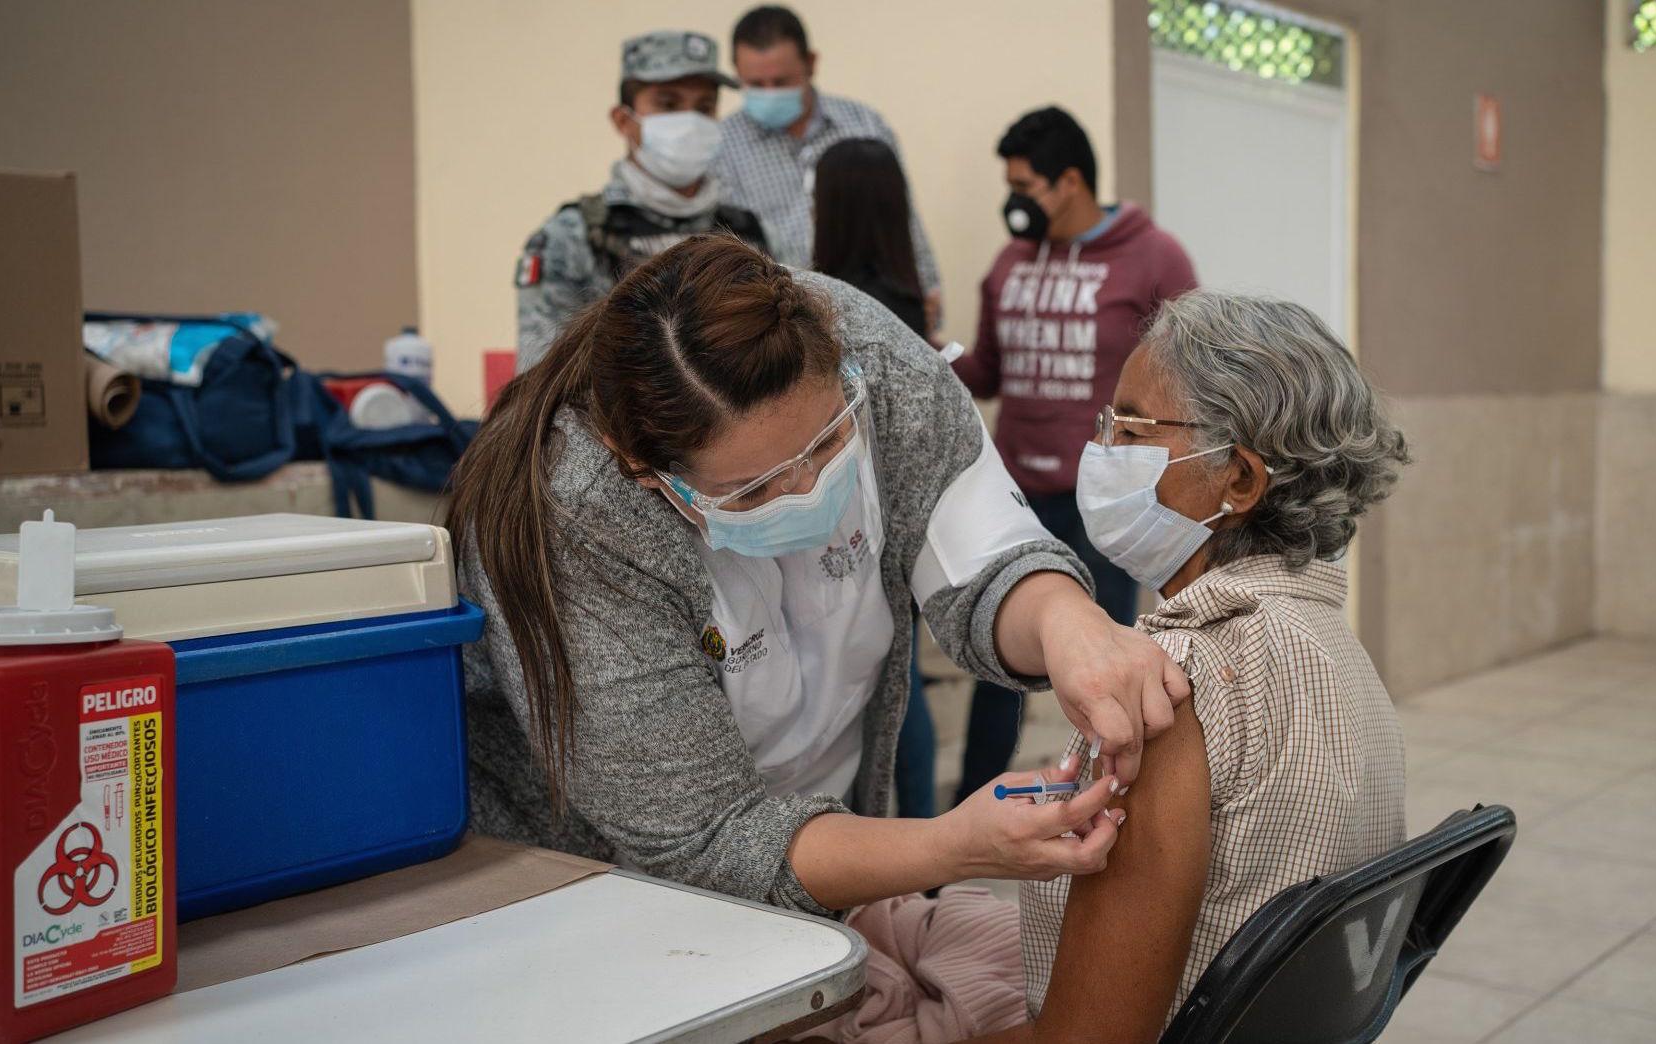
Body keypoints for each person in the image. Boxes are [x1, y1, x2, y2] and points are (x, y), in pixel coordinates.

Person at [449, 235, 1190, 919]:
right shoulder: (574, 513)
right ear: (643, 468)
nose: (806, 492)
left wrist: (1071, 626)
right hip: (600, 900)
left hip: (829, 844)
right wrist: (953, 845)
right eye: (753, 492)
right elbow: (706, 839)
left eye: (831, 441)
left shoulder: (877, 359)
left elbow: (985, 563)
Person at [816, 293, 1410, 1043]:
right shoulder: (1330, 642)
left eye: (1130, 427)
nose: (1099, 450)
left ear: (1239, 480)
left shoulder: (1168, 684)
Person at [951, 105, 1198, 806]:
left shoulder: (1154, 257)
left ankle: (1116, 801)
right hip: (1010, 497)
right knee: (997, 666)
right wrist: (924, 357)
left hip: (1103, 503)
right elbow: (990, 372)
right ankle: (975, 805)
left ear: (1068, 182)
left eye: (1025, 186)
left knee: (1104, 664)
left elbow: (1191, 372)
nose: (1014, 203)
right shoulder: (1009, 264)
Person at [514, 30, 770, 372]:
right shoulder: (573, 238)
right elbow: (542, 383)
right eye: (668, 104)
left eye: (705, 107)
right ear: (624, 121)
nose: (689, 120)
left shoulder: (751, 232)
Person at [810, 137, 935, 819]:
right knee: (899, 672)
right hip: (896, 516)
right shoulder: (909, 301)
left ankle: (903, 842)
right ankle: (918, 842)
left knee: (884, 681)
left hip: (855, 519)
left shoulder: (838, 313)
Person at [714, 5, 944, 333]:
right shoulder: (722, 146)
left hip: (876, 311)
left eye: (780, 82)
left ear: (810, 64)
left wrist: (926, 294)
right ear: (737, 72)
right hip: (779, 330)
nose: (768, 93)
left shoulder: (863, 125)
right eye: (755, 84)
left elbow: (902, 221)